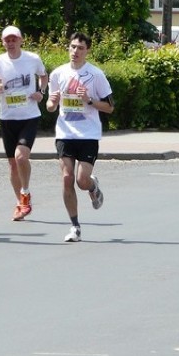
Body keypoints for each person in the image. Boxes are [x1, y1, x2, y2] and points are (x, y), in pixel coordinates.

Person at [46, 32, 113, 242]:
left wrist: (90, 100)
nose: (75, 51)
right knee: (67, 178)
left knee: (81, 181)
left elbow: (110, 107)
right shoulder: (58, 74)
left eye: (80, 48)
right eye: (73, 47)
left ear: (87, 51)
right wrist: (53, 102)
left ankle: (92, 186)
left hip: (88, 134)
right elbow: (49, 106)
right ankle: (75, 226)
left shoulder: (95, 75)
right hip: (65, 133)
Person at [0, 25, 48, 221]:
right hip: (7, 117)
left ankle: (26, 191)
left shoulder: (32, 59)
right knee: (13, 165)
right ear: (3, 42)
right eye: (7, 40)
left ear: (21, 40)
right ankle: (21, 202)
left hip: (29, 116)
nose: (11, 43)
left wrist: (41, 92)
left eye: (14, 39)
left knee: (21, 157)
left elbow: (44, 76)